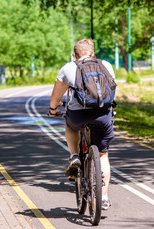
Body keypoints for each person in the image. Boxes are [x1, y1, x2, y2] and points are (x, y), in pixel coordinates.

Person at [49, 38, 116, 210]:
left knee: (71, 125)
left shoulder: (69, 67)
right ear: (93, 53)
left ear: (74, 55)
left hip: (78, 115)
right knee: (103, 155)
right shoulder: (106, 65)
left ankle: (74, 156)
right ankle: (104, 197)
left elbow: (57, 94)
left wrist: (53, 110)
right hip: (103, 114)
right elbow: (113, 89)